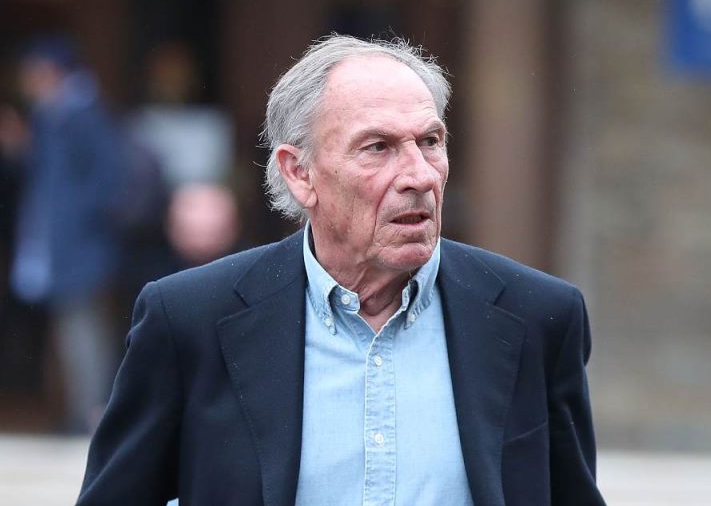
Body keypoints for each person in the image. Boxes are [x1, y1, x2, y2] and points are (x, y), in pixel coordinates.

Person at [77, 34, 606, 506]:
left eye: (430, 142)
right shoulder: (189, 319)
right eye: (378, 148)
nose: (420, 176)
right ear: (299, 173)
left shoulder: (538, 317)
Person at [2, 37, 122, 433]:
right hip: (62, 243)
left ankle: (92, 414)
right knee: (70, 330)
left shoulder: (83, 115)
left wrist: (77, 218)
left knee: (83, 329)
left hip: (80, 244)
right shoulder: (53, 115)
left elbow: (108, 180)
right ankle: (81, 410)